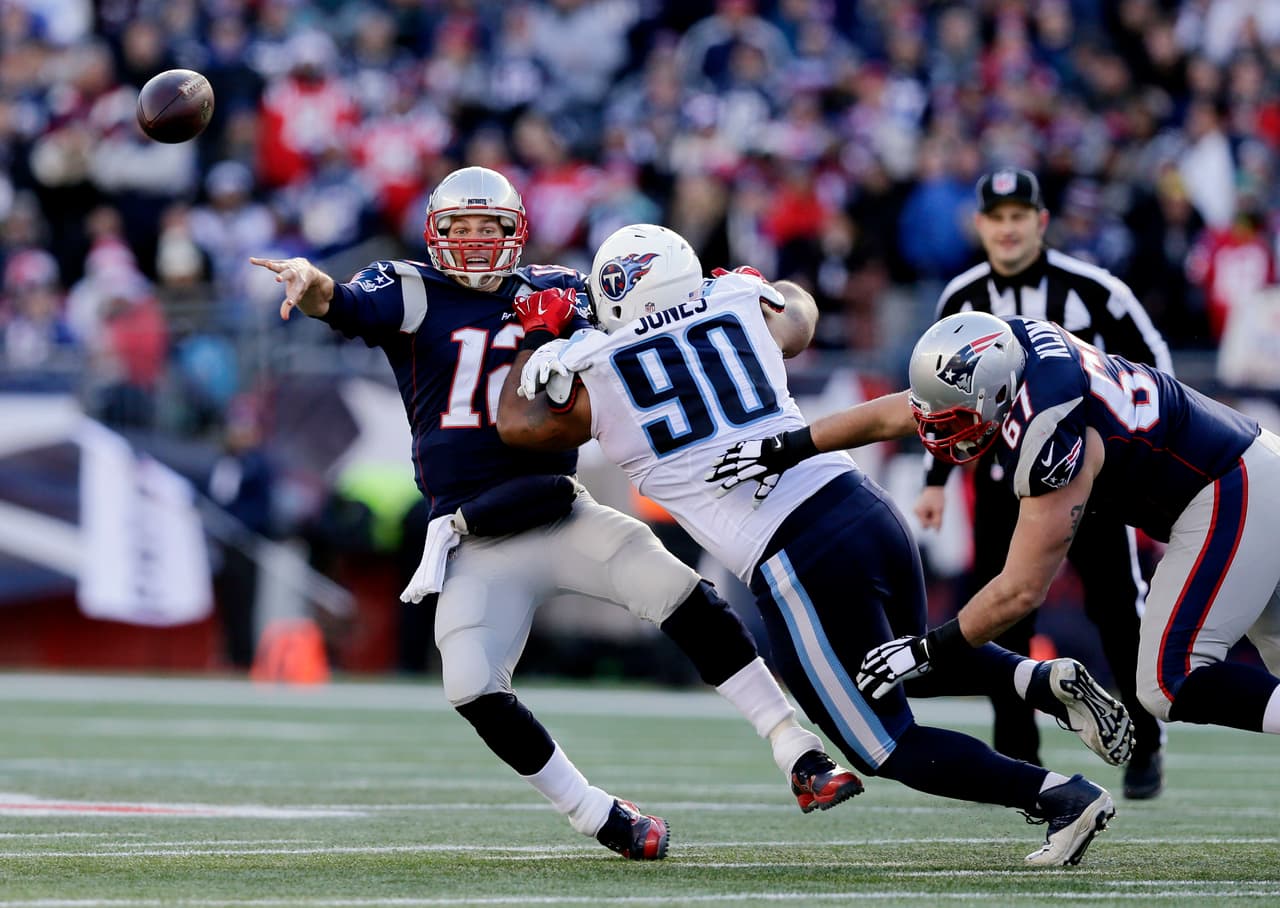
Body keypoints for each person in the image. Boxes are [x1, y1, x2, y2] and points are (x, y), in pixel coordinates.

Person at [247, 167, 860, 862]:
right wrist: (309, 280)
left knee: (680, 594)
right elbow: (344, 303)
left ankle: (796, 748)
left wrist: (708, 294)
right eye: (461, 229)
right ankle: (594, 813)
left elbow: (652, 319)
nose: (476, 244)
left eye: (490, 229)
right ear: (433, 236)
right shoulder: (410, 289)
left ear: (518, 233)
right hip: (473, 536)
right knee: (470, 684)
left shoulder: (561, 290)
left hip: (561, 511)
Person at [498, 223, 1131, 867]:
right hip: (860, 503)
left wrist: (543, 336)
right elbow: (800, 313)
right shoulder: (739, 305)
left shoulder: (596, 370)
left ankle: (1061, 796)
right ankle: (1040, 679)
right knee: (913, 659)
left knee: (882, 745)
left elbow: (518, 425)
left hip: (795, 553)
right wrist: (757, 286)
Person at [708, 309, 1280, 751]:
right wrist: (787, 446)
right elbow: (897, 412)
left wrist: (930, 649)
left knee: (1166, 678)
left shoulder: (1049, 432)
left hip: (1229, 488)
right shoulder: (1004, 352)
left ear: (996, 399)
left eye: (953, 422)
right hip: (1243, 474)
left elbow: (1020, 590)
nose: (939, 434)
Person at [914, 168, 1171, 799]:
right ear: (980, 226)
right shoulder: (963, 296)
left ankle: (1145, 739)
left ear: (1041, 221)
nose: (1007, 228)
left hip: (1090, 483)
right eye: (996, 217)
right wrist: (936, 480)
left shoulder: (1096, 291)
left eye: (1018, 216)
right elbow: (940, 398)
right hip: (1003, 483)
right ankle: (1023, 765)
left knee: (1116, 608)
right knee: (1002, 621)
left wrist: (1143, 463)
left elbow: (1156, 372)